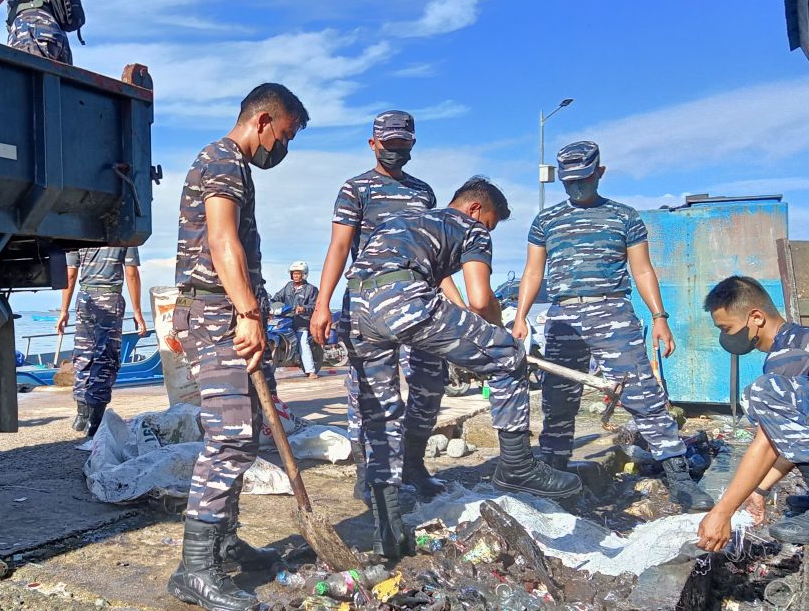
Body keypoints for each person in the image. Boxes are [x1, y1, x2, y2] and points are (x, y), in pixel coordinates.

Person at [347, 178, 582, 563]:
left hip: (356, 306)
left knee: (381, 417)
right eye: (490, 222)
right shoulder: (469, 227)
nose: (488, 230)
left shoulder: (410, 222)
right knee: (509, 357)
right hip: (404, 300)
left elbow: (440, 288)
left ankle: (386, 533)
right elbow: (478, 298)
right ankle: (517, 464)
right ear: (476, 209)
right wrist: (499, 332)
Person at [167, 83, 309, 611]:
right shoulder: (223, 159)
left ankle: (222, 543)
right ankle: (194, 570)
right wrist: (247, 313)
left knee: (243, 434)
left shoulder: (233, 164)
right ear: (265, 121)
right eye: (286, 136)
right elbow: (222, 240)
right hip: (217, 312)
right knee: (229, 438)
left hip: (226, 310)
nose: (283, 149)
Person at [512, 140, 713, 511]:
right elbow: (532, 271)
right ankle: (554, 471)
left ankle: (679, 477)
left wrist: (659, 317)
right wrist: (521, 316)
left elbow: (641, 269)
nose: (576, 188)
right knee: (558, 399)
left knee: (643, 394)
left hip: (612, 312)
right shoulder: (546, 220)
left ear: (599, 173)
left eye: (583, 180)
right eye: (569, 182)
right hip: (561, 317)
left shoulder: (624, 216)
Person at [310, 110, 463, 501]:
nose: (394, 151)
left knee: (430, 383)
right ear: (373, 144)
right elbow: (340, 247)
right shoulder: (356, 190)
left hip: (420, 302)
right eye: (388, 144)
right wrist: (322, 304)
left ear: (412, 144)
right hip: (367, 302)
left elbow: (435, 256)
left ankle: (412, 462)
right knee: (369, 391)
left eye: (402, 144)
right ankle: (371, 472)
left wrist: (458, 306)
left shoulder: (422, 193)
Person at [697, 276, 809, 550]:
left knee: (761, 392)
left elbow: (767, 444)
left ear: (756, 317)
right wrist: (759, 489)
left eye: (727, 327)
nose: (726, 336)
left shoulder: (790, 357)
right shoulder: (798, 341)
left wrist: (722, 513)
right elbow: (794, 437)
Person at [56, 247, 148, 437]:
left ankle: (81, 416)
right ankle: (95, 420)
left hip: (85, 298)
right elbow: (131, 273)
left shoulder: (80, 233)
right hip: (110, 298)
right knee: (106, 359)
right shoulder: (123, 234)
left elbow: (70, 273)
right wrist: (137, 311)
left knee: (83, 354)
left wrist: (63, 310)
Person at [271, 261, 320, 378]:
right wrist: (271, 304)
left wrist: (303, 308)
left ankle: (310, 370)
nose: (295, 276)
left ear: (304, 274)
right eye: (293, 273)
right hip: (287, 319)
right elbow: (277, 297)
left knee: (303, 342)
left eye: (298, 273)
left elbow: (315, 306)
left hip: (302, 321)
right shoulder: (288, 286)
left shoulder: (311, 289)